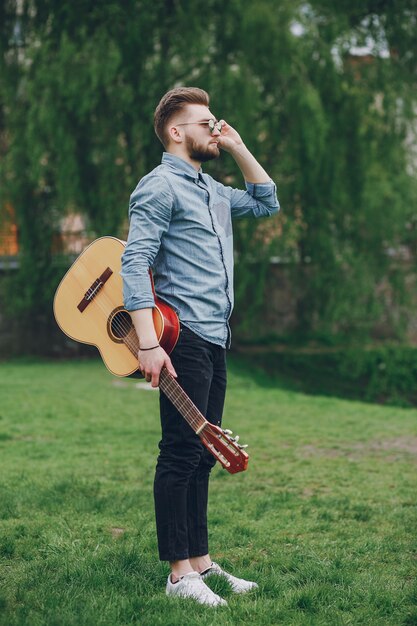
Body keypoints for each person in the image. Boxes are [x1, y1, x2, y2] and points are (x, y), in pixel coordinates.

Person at [121, 87, 279, 607]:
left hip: (215, 336)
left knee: (205, 454)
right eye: (205, 122)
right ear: (175, 131)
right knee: (181, 451)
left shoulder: (211, 190)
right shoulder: (159, 187)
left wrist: (234, 145)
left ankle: (202, 562)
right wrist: (148, 344)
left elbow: (266, 201)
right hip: (179, 337)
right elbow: (134, 262)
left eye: (216, 122)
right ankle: (177, 575)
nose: (214, 127)